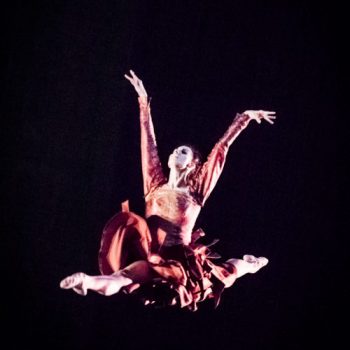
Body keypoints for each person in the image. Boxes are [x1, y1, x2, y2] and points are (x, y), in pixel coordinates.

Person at [60, 70, 276, 311]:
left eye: (183, 151)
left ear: (194, 164)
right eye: (174, 150)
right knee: (123, 276)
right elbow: (148, 145)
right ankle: (87, 282)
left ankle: (251, 264)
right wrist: (143, 101)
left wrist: (244, 118)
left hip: (178, 263)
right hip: (149, 255)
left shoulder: (196, 191)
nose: (175, 153)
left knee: (227, 270)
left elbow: (220, 151)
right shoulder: (154, 186)